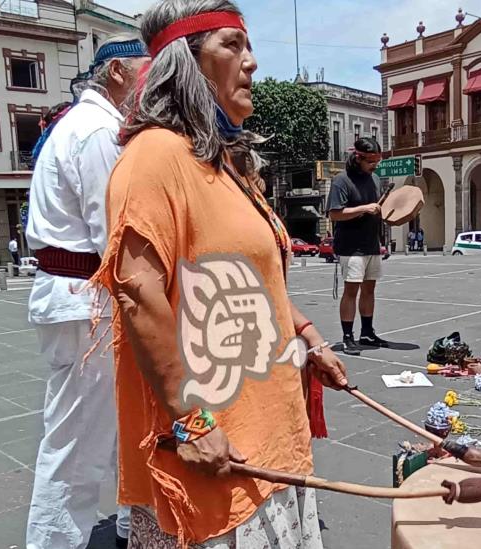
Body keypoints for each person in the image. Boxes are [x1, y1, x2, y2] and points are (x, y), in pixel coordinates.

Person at [91, 1, 348, 546]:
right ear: (186, 64)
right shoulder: (153, 157)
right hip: (214, 444)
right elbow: (139, 294)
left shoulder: (223, 164)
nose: (251, 61)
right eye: (232, 45)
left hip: (268, 429)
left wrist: (308, 335)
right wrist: (191, 421)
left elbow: (252, 280)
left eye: (248, 45)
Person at [25, 38, 149, 549]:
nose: (150, 84)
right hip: (84, 299)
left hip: (79, 297)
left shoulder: (84, 126)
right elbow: (112, 234)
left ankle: (128, 523)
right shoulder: (96, 130)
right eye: (146, 72)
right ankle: (54, 542)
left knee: (118, 423)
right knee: (77, 441)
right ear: (117, 71)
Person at [326, 137, 389, 353]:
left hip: (371, 243)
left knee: (369, 289)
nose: (375, 166)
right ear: (358, 158)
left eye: (377, 161)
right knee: (351, 290)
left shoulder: (375, 179)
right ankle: (347, 336)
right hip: (350, 246)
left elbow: (378, 208)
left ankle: (367, 332)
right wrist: (364, 208)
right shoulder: (341, 181)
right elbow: (335, 213)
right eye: (371, 161)